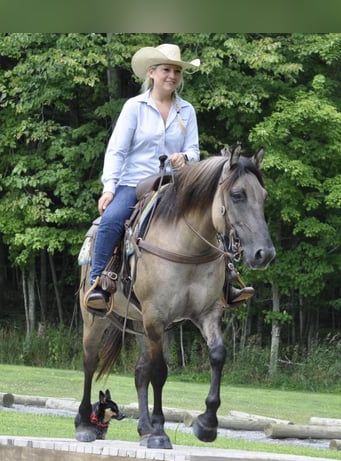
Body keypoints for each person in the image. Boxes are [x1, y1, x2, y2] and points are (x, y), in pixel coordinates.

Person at [84, 43, 254, 312]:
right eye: (166, 70)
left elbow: (194, 152)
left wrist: (184, 159)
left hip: (177, 184)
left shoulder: (186, 110)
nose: (172, 76)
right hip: (135, 183)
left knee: (215, 215)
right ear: (151, 73)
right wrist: (109, 188)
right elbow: (117, 150)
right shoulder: (134, 107)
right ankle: (98, 285)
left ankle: (226, 282)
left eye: (176, 71)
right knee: (112, 220)